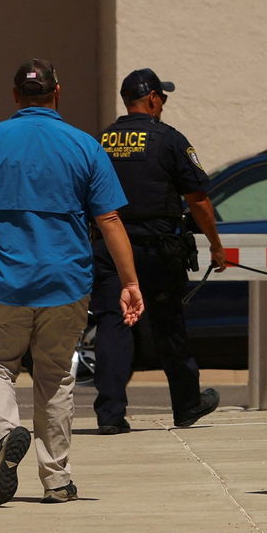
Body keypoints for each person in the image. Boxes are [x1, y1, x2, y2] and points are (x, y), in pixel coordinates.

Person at [0, 58, 144, 505]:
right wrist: (129, 281)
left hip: (4, 281)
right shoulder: (83, 146)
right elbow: (109, 218)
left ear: (15, 96)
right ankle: (57, 480)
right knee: (55, 377)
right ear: (58, 92)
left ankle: (5, 436)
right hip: (66, 282)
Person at [89, 68, 226, 434]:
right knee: (169, 326)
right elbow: (198, 200)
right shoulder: (169, 140)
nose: (163, 104)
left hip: (110, 249)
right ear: (151, 99)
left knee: (112, 326)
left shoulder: (100, 141)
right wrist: (215, 244)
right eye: (162, 97)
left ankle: (110, 414)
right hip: (158, 249)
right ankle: (186, 405)